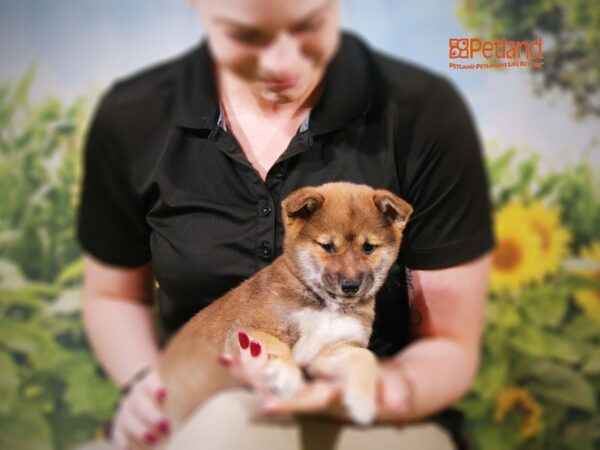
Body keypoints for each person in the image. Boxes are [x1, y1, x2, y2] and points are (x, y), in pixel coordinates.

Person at [77, 0, 494, 448]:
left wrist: (383, 390)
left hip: (375, 423)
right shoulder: (133, 116)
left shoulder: (423, 114)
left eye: (307, 25)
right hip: (195, 403)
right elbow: (113, 295)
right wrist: (147, 386)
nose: (280, 61)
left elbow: (448, 341)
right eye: (245, 34)